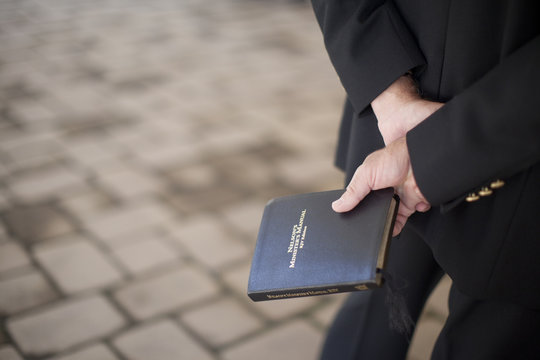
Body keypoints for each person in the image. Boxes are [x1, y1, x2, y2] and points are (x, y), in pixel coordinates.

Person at [310, 0, 540, 358]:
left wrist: (431, 148)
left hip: (519, 173)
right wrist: (391, 96)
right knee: (369, 321)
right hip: (389, 136)